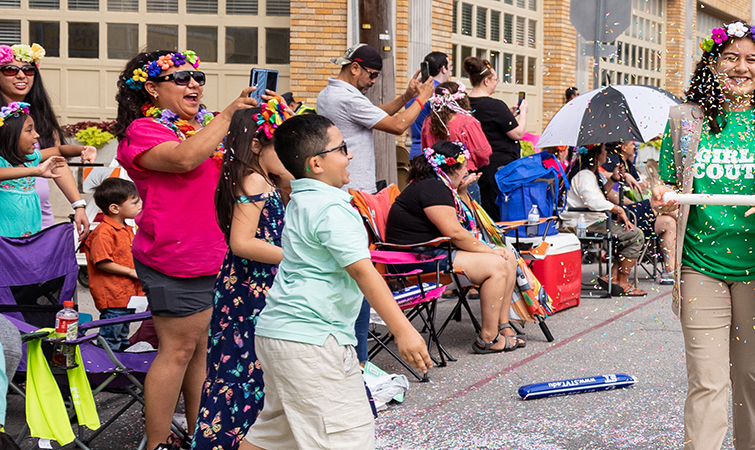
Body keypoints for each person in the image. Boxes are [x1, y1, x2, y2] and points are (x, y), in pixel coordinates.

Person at [651, 21, 755, 450]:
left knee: (747, 371)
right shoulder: (685, 120)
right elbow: (667, 186)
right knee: (707, 378)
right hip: (700, 265)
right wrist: (662, 196)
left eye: (751, 59)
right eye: (731, 57)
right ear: (713, 64)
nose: (741, 67)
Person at [245, 114, 429, 450]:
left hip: (283, 335)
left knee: (274, 437)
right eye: (342, 148)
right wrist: (404, 331)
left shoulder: (302, 199)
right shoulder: (330, 207)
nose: (351, 155)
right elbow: (363, 272)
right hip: (312, 340)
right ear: (316, 163)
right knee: (348, 438)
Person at [109, 49, 260, 450]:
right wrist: (227, 116)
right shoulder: (143, 130)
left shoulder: (206, 124)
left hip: (215, 251)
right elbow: (184, 159)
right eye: (181, 78)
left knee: (201, 353)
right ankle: (158, 443)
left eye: (198, 76)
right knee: (176, 352)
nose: (194, 83)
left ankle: (200, 435)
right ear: (152, 89)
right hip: (175, 255)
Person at [194, 100, 292, 450]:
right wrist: (296, 256)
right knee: (243, 369)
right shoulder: (252, 180)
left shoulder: (260, 177)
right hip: (249, 291)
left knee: (250, 367)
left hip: (254, 286)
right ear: (255, 144)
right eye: (280, 146)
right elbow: (241, 242)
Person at [384, 141, 523, 353]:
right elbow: (455, 232)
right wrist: (490, 250)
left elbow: (467, 225)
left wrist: (463, 190)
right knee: (496, 265)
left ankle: (502, 326)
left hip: (429, 252)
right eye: (464, 166)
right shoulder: (432, 188)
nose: (467, 170)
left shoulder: (437, 185)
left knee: (508, 258)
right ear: (452, 168)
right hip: (415, 260)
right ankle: (488, 338)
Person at [1, 43, 95, 235]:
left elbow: (58, 161)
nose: (21, 76)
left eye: (28, 70)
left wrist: (78, 205)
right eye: (10, 70)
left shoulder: (39, 118)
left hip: (39, 217)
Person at [317, 43, 431, 193]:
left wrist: (407, 97)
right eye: (373, 75)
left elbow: (374, 114)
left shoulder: (328, 93)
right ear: (355, 68)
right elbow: (398, 126)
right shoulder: (348, 99)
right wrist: (422, 98)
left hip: (341, 183)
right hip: (355, 187)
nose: (374, 81)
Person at [563, 144, 646, 293]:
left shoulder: (590, 174)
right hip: (585, 223)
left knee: (629, 233)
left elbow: (601, 195)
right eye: (604, 151)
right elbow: (593, 202)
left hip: (593, 220)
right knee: (636, 235)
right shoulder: (584, 175)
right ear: (596, 155)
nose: (606, 153)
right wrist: (617, 209)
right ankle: (622, 282)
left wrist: (614, 178)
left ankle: (614, 277)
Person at [462, 57, 531, 219]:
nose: (496, 83)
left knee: (480, 211)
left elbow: (487, 125)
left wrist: (508, 114)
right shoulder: (495, 105)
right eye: (495, 79)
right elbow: (517, 133)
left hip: (474, 167)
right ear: (486, 81)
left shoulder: (465, 103)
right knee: (497, 213)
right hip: (498, 170)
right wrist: (524, 113)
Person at [84, 178, 141, 351]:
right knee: (110, 340)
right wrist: (131, 272)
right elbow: (102, 262)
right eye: (134, 202)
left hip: (126, 296)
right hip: (113, 296)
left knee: (122, 337)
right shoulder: (104, 232)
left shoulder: (126, 228)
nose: (140, 205)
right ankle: (105, 372)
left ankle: (119, 371)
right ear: (115, 208)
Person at [0, 101, 69, 237]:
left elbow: (58, 149)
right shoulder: (2, 161)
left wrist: (83, 149)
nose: (36, 135)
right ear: (11, 135)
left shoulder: (30, 158)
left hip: (29, 237)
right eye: (29, 130)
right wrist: (36, 171)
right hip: (5, 242)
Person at [421, 81, 491, 170]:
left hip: (437, 173)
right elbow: (482, 153)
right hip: (463, 173)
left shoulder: (428, 122)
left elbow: (425, 149)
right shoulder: (468, 122)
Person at [406, 51, 453, 156]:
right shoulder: (441, 93)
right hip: (434, 152)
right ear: (443, 69)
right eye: (450, 67)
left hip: (415, 150)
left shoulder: (413, 90)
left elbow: (408, 124)